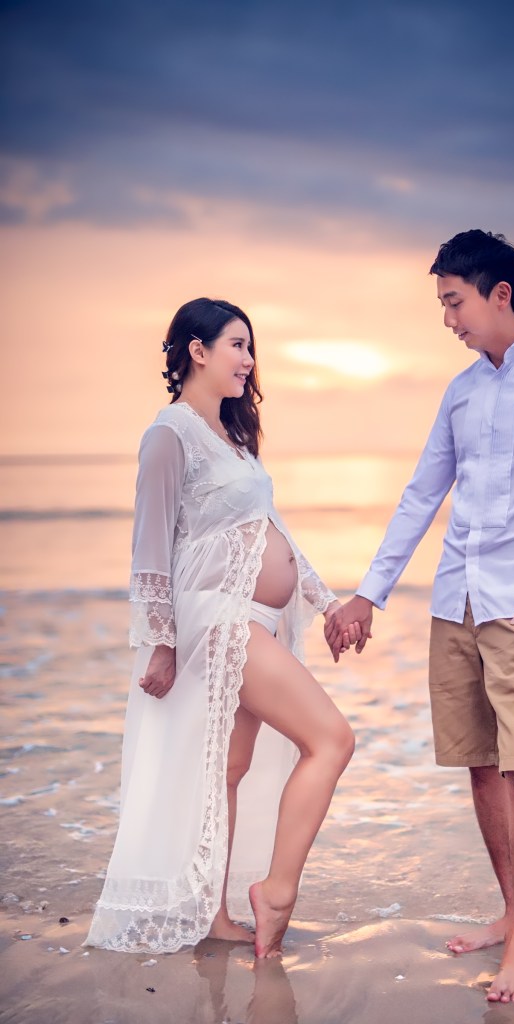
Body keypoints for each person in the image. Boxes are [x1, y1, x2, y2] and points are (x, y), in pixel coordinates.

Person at [326, 230, 514, 1003]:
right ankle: (508, 912)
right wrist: (369, 592)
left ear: (500, 294)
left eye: (454, 302)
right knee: (481, 765)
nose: (448, 319)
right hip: (456, 596)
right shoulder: (460, 390)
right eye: (441, 305)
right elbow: (422, 494)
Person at [86, 298, 355, 958]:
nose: (248, 359)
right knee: (331, 739)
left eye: (250, 347)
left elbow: (271, 533)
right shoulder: (169, 434)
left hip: (258, 615)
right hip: (220, 617)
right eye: (237, 345)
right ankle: (277, 890)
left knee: (230, 768)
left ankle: (214, 916)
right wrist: (159, 644)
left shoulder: (232, 439)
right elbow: (149, 547)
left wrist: (326, 604)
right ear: (197, 351)